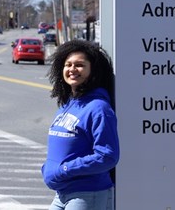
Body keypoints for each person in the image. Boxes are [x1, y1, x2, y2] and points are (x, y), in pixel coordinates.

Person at [41, 39, 120, 210]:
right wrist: (48, 167)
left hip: (87, 194)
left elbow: (107, 156)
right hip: (62, 193)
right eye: (68, 64)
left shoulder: (99, 108)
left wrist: (64, 170)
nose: (72, 69)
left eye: (79, 65)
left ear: (93, 71)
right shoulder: (68, 104)